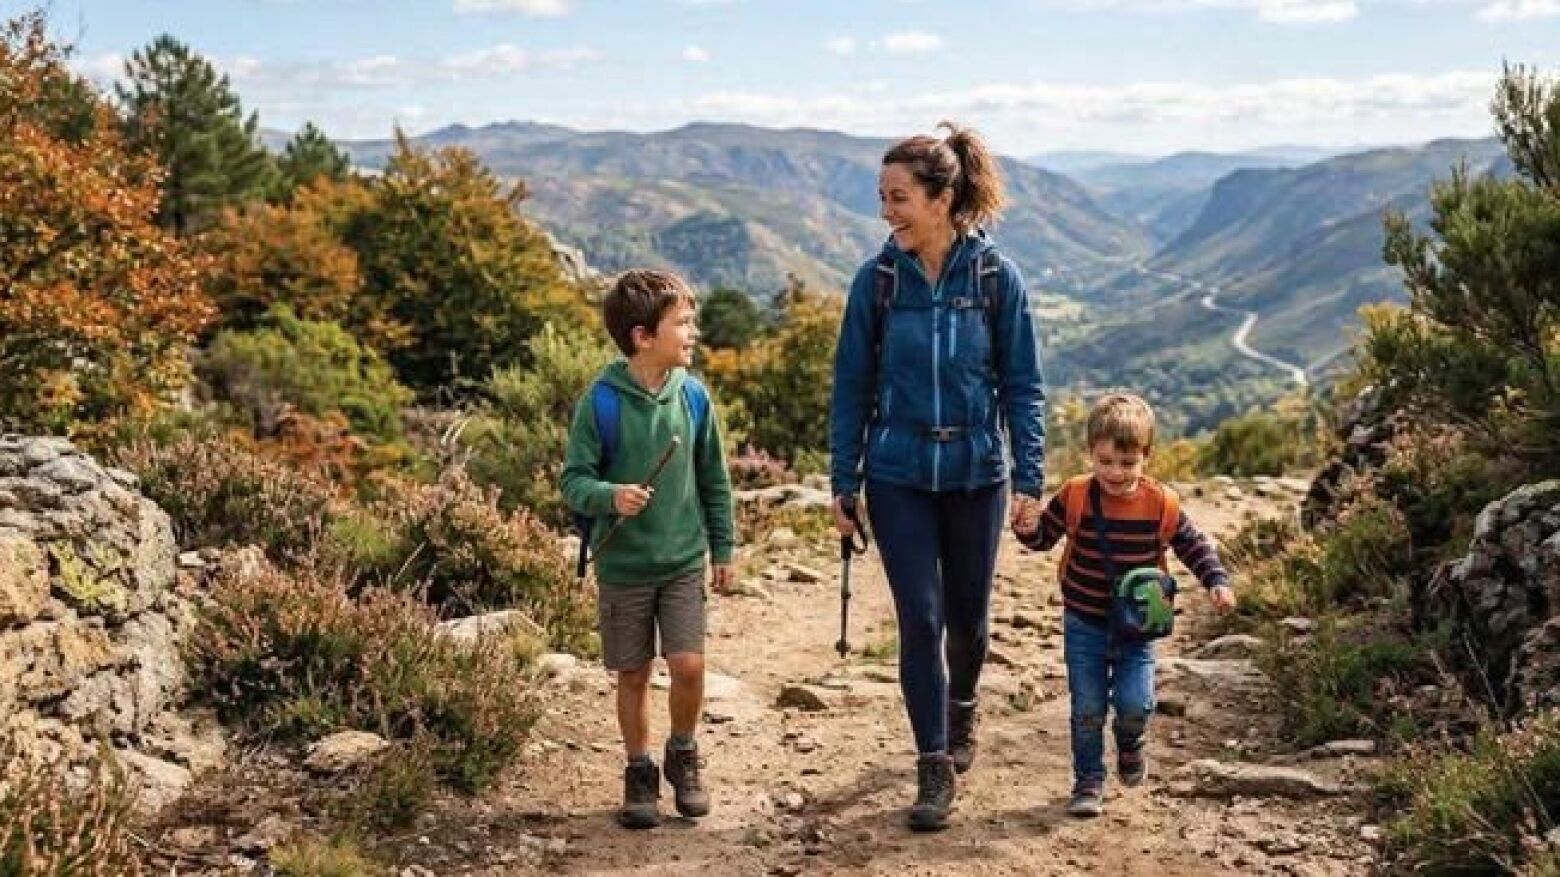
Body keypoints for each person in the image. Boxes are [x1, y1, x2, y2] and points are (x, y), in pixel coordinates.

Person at [829, 121, 1047, 831]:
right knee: (920, 621)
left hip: (977, 474)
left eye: (898, 197)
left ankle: (963, 705)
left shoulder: (995, 279)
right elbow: (851, 387)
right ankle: (933, 764)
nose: (886, 211)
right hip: (897, 475)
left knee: (969, 624)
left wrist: (1029, 479)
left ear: (941, 199)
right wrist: (843, 481)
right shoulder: (877, 282)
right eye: (882, 196)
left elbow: (1023, 387)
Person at [561, 269, 735, 830]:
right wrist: (611, 496)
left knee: (688, 664)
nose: (693, 332)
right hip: (624, 567)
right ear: (642, 337)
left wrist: (723, 549)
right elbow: (573, 481)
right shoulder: (601, 402)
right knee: (633, 674)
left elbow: (715, 480)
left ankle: (682, 752)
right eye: (681, 323)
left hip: (683, 562)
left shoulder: (694, 398)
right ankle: (639, 770)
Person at [1013, 392, 1236, 818]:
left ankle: (1130, 742)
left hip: (1138, 624)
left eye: (1128, 463)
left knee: (1135, 704)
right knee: (1087, 708)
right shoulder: (1076, 495)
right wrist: (1026, 528)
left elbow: (1193, 546)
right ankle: (1088, 780)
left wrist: (1217, 581)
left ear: (1146, 457)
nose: (1115, 472)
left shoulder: (1161, 504)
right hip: (1084, 621)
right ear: (1090, 454)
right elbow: (1044, 538)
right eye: (1105, 461)